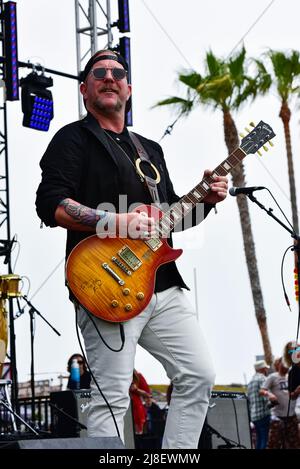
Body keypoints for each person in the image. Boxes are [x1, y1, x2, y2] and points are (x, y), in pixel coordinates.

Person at [35, 48, 228, 449]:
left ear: (129, 88)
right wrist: (114, 221)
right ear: (85, 89)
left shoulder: (149, 150)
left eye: (117, 72)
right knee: (112, 395)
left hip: (162, 283)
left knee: (198, 374)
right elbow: (51, 204)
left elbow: (173, 218)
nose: (109, 77)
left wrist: (206, 200)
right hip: (106, 282)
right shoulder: (73, 139)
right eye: (99, 72)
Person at [261, 357, 300, 449]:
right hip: (277, 418)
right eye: (283, 362)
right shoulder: (272, 377)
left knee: (294, 444)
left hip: (292, 417)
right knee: (274, 445)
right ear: (277, 364)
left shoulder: (292, 376)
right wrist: (269, 394)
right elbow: (262, 390)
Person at [247, 359, 271, 449]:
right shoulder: (263, 379)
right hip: (264, 414)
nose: (267, 370)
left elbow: (249, 399)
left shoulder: (250, 382)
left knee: (259, 440)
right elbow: (266, 398)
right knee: (265, 440)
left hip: (254, 416)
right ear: (263, 369)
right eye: (266, 368)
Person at [129, 369, 151, 434]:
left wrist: (136, 389)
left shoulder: (137, 376)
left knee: (138, 434)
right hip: (126, 411)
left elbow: (148, 395)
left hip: (136, 412)